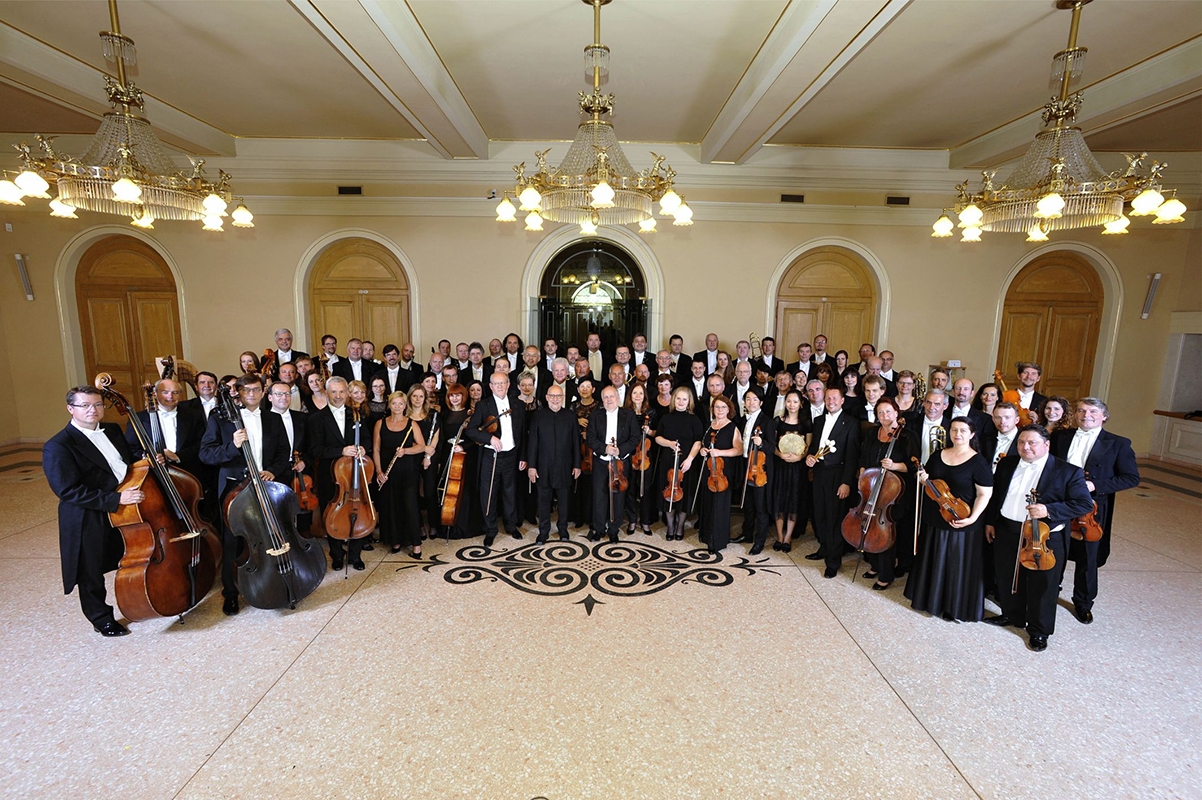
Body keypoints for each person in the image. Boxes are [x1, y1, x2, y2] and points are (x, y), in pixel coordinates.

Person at [44, 386, 142, 636]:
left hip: (121, 505)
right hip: (88, 514)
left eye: (98, 405)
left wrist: (147, 457)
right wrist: (116, 498)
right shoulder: (58, 446)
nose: (93, 410)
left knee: (132, 555)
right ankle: (101, 619)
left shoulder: (111, 429)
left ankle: (140, 599)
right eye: (85, 405)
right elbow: (68, 491)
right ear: (71, 409)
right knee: (91, 570)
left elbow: (125, 459)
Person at [984, 426, 1093, 651]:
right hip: (1007, 529)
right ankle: (1012, 615)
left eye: (1032, 443)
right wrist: (991, 521)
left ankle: (1039, 630)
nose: (1026, 447)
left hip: (1043, 538)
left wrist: (1048, 510)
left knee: (1042, 585)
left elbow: (1084, 504)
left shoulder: (1068, 471)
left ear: (1047, 445)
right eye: (1022, 442)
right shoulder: (1007, 463)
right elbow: (997, 495)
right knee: (1008, 576)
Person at [200, 373, 291, 614]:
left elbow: (284, 451)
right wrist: (233, 446)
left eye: (256, 390)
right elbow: (206, 454)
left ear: (263, 392)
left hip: (266, 486)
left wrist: (272, 470)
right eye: (245, 390)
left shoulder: (273, 418)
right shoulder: (220, 418)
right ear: (237, 393)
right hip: (235, 489)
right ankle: (230, 593)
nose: (251, 394)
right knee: (234, 542)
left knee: (271, 533)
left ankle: (274, 581)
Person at [1050, 398, 1139, 625]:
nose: (1085, 415)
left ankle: (1083, 602)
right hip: (1060, 501)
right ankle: (1050, 591)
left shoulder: (1118, 443)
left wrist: (1095, 485)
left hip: (1092, 507)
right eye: (1081, 410)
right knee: (1054, 547)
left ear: (1104, 417)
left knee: (1088, 555)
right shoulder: (1061, 436)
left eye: (1092, 411)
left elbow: (1131, 477)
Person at [905, 417, 994, 621]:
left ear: (972, 434)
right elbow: (930, 482)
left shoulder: (979, 462)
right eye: (954, 430)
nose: (958, 434)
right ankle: (928, 600)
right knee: (933, 560)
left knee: (954, 566)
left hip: (962, 521)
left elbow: (984, 494)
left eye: (963, 430)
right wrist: (922, 479)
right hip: (936, 518)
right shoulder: (938, 455)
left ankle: (951, 606)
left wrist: (972, 518)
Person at [305, 376, 373, 571]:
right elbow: (315, 449)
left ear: (347, 392)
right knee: (331, 514)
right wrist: (341, 451)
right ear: (326, 393)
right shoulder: (316, 419)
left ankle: (355, 555)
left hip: (356, 473)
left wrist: (363, 449)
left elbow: (366, 440)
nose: (338, 396)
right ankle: (336, 554)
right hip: (332, 476)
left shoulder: (356, 414)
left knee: (358, 511)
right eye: (333, 392)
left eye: (341, 391)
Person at [857, 397, 917, 589]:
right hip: (871, 489)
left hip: (893, 493)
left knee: (885, 531)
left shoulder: (907, 436)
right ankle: (874, 565)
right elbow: (864, 456)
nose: (884, 416)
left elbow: (913, 466)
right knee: (869, 526)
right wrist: (861, 473)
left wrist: (895, 465)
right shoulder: (872, 432)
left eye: (888, 412)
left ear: (896, 412)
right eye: (880, 412)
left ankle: (886, 573)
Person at [805, 387, 861, 578]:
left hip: (838, 475)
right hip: (820, 473)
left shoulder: (852, 423)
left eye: (835, 398)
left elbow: (852, 456)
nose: (831, 401)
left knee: (834, 518)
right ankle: (824, 548)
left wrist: (846, 482)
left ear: (842, 400)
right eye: (828, 398)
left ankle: (833, 561)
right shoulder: (818, 420)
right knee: (819, 515)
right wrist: (810, 457)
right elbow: (813, 447)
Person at [467, 372, 526, 548]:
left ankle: (510, 525)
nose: (500, 386)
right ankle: (491, 530)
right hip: (491, 457)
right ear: (491, 386)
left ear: (508, 385)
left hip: (511, 455)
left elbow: (523, 433)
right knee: (489, 494)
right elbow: (471, 430)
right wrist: (490, 439)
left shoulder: (518, 404)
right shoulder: (483, 405)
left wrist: (523, 456)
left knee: (510, 492)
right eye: (496, 384)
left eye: (503, 383)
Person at [526, 384, 582, 543]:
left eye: (558, 396)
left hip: (565, 466)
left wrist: (577, 464)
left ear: (563, 398)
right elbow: (533, 443)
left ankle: (563, 529)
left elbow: (575, 443)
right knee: (543, 501)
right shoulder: (538, 416)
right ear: (547, 397)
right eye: (553, 396)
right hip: (543, 466)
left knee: (564, 500)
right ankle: (543, 531)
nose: (555, 399)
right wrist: (532, 466)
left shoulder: (570, 416)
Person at [374, 391, 427, 556]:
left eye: (401, 404)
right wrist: (379, 471)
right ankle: (395, 541)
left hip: (407, 470)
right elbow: (376, 449)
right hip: (387, 471)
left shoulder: (412, 424)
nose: (397, 407)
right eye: (394, 403)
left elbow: (421, 446)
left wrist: (406, 451)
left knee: (410, 506)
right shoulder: (380, 423)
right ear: (389, 405)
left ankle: (416, 544)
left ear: (405, 406)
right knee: (391, 506)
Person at [124, 378, 207, 481]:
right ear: (155, 393)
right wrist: (149, 457)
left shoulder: (194, 415)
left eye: (175, 392)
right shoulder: (139, 418)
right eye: (165, 392)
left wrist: (177, 456)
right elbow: (130, 448)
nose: (170, 396)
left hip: (188, 474)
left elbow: (202, 444)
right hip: (152, 475)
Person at [586, 385, 639, 542]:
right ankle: (599, 528)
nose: (609, 400)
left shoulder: (628, 415)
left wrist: (620, 450)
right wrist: (605, 448)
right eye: (606, 397)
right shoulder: (595, 415)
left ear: (618, 398)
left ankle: (614, 530)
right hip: (602, 461)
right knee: (599, 495)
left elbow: (635, 438)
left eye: (612, 396)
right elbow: (591, 438)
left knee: (618, 496)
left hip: (620, 463)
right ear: (602, 400)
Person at [655, 386, 704, 542]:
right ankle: (670, 526)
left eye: (684, 399)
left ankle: (680, 525)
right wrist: (669, 443)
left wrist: (690, 459)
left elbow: (698, 441)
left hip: (687, 463)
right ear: (673, 400)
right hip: (668, 462)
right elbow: (657, 438)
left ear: (689, 401)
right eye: (678, 398)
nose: (681, 402)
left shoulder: (694, 419)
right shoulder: (666, 418)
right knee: (668, 495)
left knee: (685, 494)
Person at [734, 387, 775, 555]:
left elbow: (772, 447)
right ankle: (747, 534)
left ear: (761, 402)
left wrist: (761, 443)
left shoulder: (768, 422)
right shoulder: (742, 420)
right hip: (745, 464)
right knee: (748, 504)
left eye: (754, 399)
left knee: (760, 507)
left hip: (759, 470)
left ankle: (759, 541)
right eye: (748, 399)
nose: (751, 402)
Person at [772, 389, 809, 552]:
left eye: (795, 402)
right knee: (779, 498)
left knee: (794, 500)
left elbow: (808, 446)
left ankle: (788, 538)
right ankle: (779, 536)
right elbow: (771, 444)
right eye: (789, 401)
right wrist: (780, 454)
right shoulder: (778, 421)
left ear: (801, 404)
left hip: (797, 468)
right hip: (781, 466)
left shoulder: (806, 422)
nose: (792, 405)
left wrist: (799, 458)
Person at [406, 384, 441, 539]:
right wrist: (421, 449)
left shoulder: (433, 414)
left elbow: (436, 436)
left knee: (430, 492)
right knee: (412, 494)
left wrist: (428, 455)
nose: (418, 399)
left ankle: (433, 524)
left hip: (429, 457)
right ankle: (418, 525)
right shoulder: (404, 415)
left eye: (421, 396)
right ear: (409, 397)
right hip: (411, 457)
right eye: (415, 396)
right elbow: (405, 439)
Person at [624, 382, 658, 535]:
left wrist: (649, 431)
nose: (637, 396)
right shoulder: (624, 413)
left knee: (645, 489)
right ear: (630, 396)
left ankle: (645, 521)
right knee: (630, 489)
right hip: (629, 454)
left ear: (644, 396)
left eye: (640, 393)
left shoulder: (651, 412)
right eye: (634, 393)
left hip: (645, 455)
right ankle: (632, 520)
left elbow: (659, 433)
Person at [572, 377, 599, 536]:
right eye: (582, 386)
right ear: (578, 389)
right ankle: (579, 516)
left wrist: (588, 434)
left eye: (588, 386)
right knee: (578, 484)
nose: (585, 389)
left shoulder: (599, 406)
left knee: (594, 485)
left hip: (594, 451)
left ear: (593, 390)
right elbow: (566, 425)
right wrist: (577, 422)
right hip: (577, 450)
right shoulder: (573, 407)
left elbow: (602, 426)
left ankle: (592, 517)